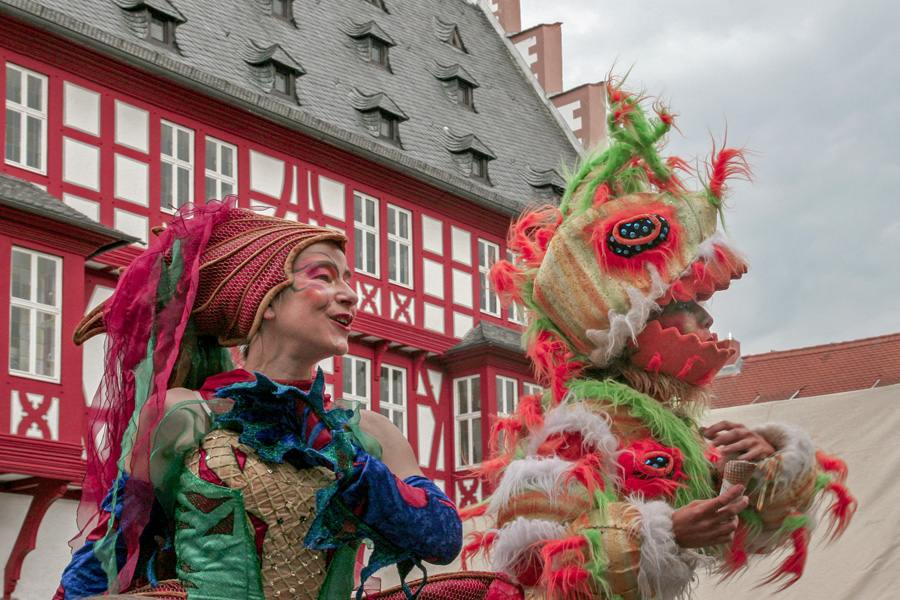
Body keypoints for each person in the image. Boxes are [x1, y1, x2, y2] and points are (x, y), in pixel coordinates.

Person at [462, 80, 856, 600]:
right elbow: (541, 565)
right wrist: (666, 532)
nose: (709, 326)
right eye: (692, 309)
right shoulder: (579, 427)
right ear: (637, 325)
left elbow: (753, 529)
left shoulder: (668, 425)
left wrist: (769, 458)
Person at [55, 198, 462, 600]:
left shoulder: (367, 432)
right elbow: (113, 548)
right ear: (264, 299)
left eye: (348, 280)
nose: (350, 295)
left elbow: (443, 540)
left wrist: (340, 454)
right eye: (325, 276)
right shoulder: (186, 414)